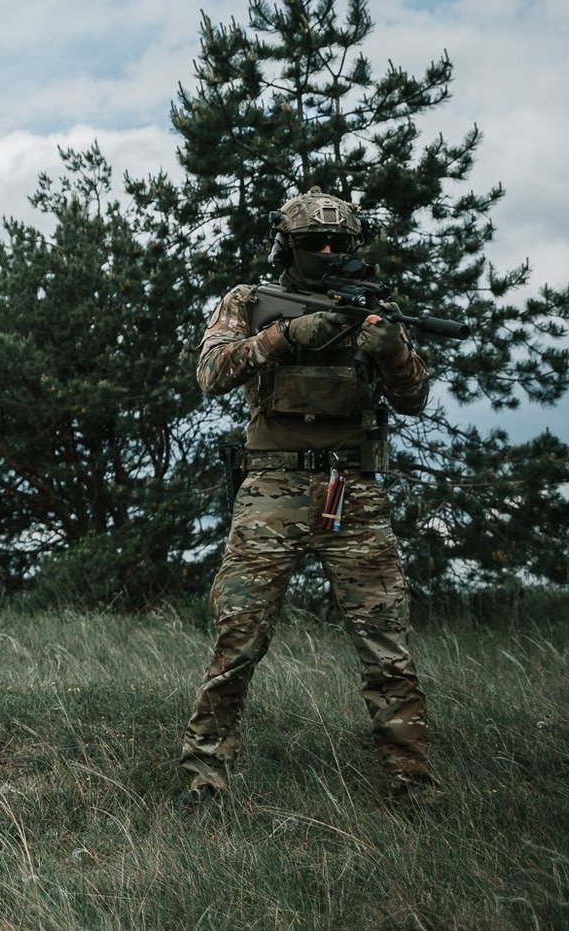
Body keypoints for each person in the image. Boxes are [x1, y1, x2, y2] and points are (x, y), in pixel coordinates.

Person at [180, 188, 432, 803]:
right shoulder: (250, 302)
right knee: (238, 638)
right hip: (273, 488)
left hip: (355, 490)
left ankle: (413, 784)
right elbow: (211, 373)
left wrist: (394, 354)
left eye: (338, 243)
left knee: (385, 645)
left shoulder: (377, 310)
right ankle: (204, 780)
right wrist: (288, 336)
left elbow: (414, 396)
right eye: (312, 243)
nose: (325, 251)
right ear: (286, 245)